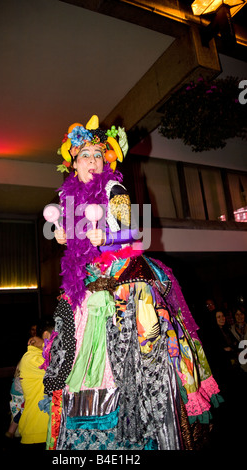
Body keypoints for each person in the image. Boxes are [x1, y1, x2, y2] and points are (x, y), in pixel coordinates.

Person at [42, 115, 223, 451]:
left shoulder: (116, 189)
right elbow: (75, 248)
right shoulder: (71, 199)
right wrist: (64, 234)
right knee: (75, 349)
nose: (93, 161)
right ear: (73, 164)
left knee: (139, 349)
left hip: (124, 277)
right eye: (85, 156)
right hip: (88, 285)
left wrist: (108, 234)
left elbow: (135, 230)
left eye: (98, 155)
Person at [18, 319, 55, 448]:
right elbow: (59, 369)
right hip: (37, 432)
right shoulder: (31, 358)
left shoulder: (41, 355)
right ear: (46, 336)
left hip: (49, 430)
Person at [230, 308, 247, 373]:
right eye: (237, 314)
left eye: (241, 314)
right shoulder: (230, 329)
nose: (239, 316)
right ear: (234, 316)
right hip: (238, 364)